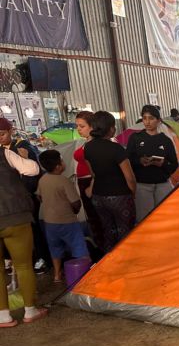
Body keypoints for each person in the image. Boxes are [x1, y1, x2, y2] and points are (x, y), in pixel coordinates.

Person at [0, 139, 48, 327]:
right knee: (23, 266)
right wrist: (23, 157)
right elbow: (32, 170)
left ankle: (3, 316)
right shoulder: (5, 153)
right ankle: (30, 310)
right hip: (15, 216)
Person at [0, 118, 49, 274]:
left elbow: (35, 171)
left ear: (11, 131)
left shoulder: (22, 147)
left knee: (33, 229)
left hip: (25, 198)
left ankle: (40, 258)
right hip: (7, 202)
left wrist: (26, 158)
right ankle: (12, 260)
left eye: (2, 134)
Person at [84, 111, 137, 253]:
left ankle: (109, 260)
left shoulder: (88, 147)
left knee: (108, 230)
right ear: (111, 128)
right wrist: (133, 192)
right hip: (119, 197)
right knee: (125, 232)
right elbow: (130, 178)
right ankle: (125, 261)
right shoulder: (116, 149)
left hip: (98, 197)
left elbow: (93, 173)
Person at [36, 150, 90, 283]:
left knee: (55, 249)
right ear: (58, 166)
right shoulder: (64, 180)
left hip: (49, 222)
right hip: (68, 221)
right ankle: (84, 276)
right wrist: (75, 211)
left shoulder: (43, 179)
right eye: (62, 160)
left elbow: (39, 196)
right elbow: (75, 202)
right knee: (78, 248)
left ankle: (57, 275)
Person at [127, 105, 178, 222]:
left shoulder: (166, 140)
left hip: (162, 184)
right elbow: (127, 160)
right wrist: (139, 161)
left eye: (151, 118)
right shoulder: (135, 138)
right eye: (144, 118)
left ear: (159, 121)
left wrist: (163, 163)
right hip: (142, 185)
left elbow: (174, 164)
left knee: (165, 217)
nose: (147, 122)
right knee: (144, 219)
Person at [72, 111, 104, 251]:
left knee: (97, 216)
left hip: (91, 182)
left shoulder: (95, 144)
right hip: (84, 181)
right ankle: (99, 244)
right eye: (77, 126)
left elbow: (99, 168)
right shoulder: (85, 142)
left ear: (92, 127)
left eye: (82, 126)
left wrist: (92, 185)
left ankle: (102, 246)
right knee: (91, 216)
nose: (78, 129)